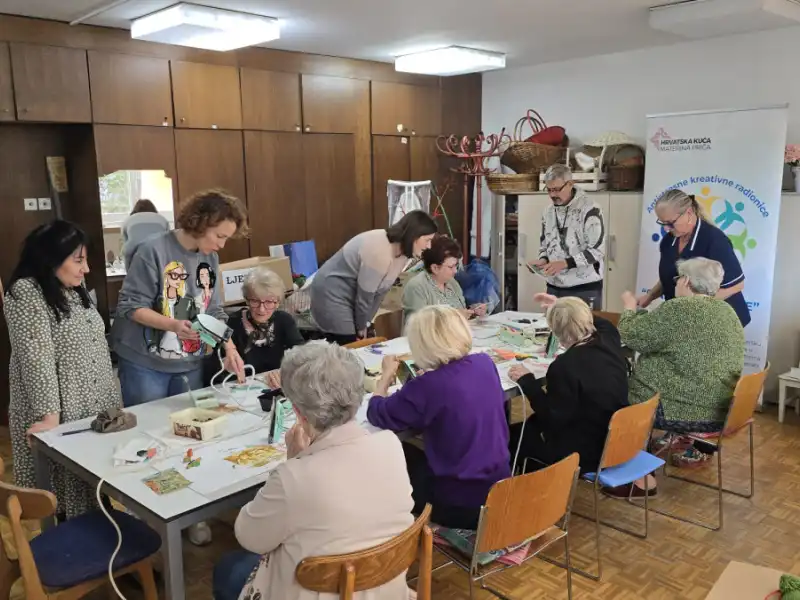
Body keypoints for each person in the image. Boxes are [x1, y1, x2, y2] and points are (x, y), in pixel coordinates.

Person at [213, 342, 415, 600]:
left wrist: (293, 462)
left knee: (229, 569)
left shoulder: (293, 477)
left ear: (298, 412)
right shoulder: (390, 444)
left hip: (324, 591)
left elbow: (249, 537)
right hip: (386, 590)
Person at [111, 189, 248, 545]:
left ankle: (187, 514)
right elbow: (129, 307)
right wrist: (173, 325)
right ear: (201, 222)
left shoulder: (209, 258)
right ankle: (146, 521)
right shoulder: (153, 250)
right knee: (147, 440)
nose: (221, 245)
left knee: (188, 438)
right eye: (219, 236)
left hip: (188, 361)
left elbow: (214, 311)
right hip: (146, 362)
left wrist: (228, 345)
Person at [4, 221, 122, 519]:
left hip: (91, 404)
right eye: (78, 260)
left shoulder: (72, 287)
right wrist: (49, 417)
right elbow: (35, 358)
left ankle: (109, 549)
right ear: (51, 257)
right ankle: (81, 557)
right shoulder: (25, 293)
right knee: (65, 499)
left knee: (96, 490)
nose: (86, 268)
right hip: (60, 407)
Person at [367, 305, 510, 530]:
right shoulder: (484, 362)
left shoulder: (428, 386)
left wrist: (384, 380)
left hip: (460, 502)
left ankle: (388, 534)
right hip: (499, 487)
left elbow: (378, 413)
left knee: (392, 452)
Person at [619, 257, 744, 476]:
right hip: (718, 405)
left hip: (684, 406)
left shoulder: (680, 309)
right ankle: (673, 441)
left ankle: (632, 470)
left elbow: (633, 337)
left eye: (677, 278)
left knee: (618, 388)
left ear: (685, 282)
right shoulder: (728, 311)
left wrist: (629, 309)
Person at [507, 294, 629, 476]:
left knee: (514, 435)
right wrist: (563, 308)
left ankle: (537, 491)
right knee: (528, 426)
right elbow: (598, 322)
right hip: (615, 436)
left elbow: (551, 419)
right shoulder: (609, 337)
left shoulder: (565, 366)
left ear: (556, 332)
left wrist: (527, 382)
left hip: (586, 451)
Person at [310, 210, 437, 345]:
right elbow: (365, 298)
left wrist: (366, 323)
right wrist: (360, 328)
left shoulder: (404, 253)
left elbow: (380, 293)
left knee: (360, 339)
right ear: (414, 235)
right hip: (331, 292)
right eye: (427, 240)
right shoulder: (379, 250)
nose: (429, 246)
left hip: (354, 293)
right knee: (349, 344)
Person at [637, 188, 750, 327]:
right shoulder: (669, 241)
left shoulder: (715, 241)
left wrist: (693, 303)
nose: (666, 229)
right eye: (662, 223)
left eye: (670, 223)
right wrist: (649, 296)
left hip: (719, 322)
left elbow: (737, 285)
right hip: (686, 318)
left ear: (689, 213)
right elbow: (670, 276)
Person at [528, 164, 606, 309]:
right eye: (549, 190)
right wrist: (543, 260)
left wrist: (564, 263)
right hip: (554, 286)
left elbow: (597, 251)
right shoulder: (548, 212)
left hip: (584, 287)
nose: (552, 195)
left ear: (570, 184)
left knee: (583, 330)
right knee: (552, 330)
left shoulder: (590, 209)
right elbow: (544, 244)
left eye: (557, 189)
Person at [212, 266, 303, 389]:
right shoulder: (231, 323)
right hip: (241, 389)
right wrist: (226, 367)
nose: (261, 309)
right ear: (246, 300)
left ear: (278, 303)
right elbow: (216, 368)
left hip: (276, 386)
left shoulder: (284, 320)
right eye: (255, 301)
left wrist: (284, 372)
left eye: (269, 302)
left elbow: (302, 354)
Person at [401, 234, 486, 322]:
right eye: (451, 267)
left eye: (456, 266)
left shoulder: (452, 283)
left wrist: (472, 312)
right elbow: (418, 324)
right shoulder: (417, 287)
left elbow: (461, 314)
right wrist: (455, 316)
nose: (455, 271)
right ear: (435, 268)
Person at [121, 198, 170, 269]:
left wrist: (128, 271)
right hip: (159, 255)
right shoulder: (162, 219)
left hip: (136, 257)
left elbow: (126, 247)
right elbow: (168, 242)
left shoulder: (128, 220)